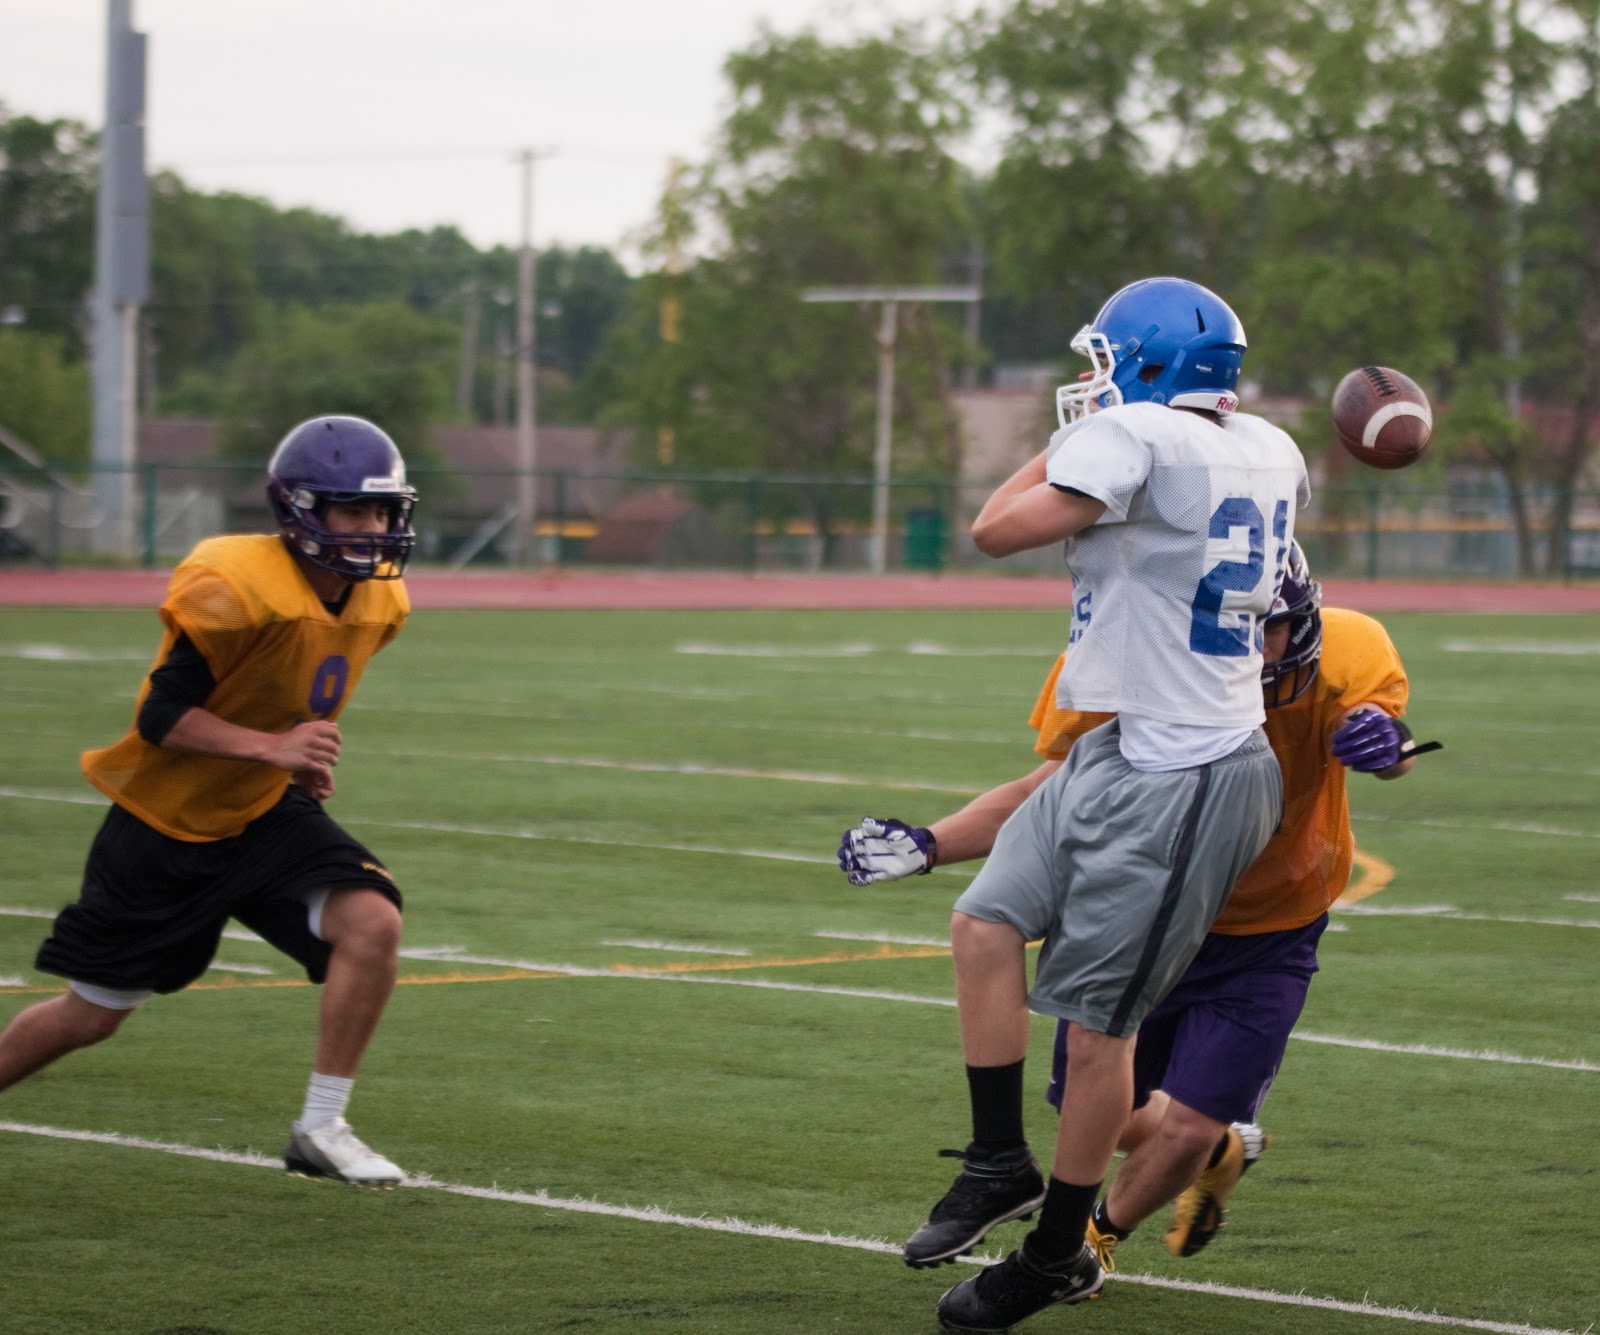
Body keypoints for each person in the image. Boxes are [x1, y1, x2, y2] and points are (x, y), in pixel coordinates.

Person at [864, 276, 1311, 1333]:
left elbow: (993, 529)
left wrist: (1081, 434)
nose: (1090, 384)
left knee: (1097, 1029)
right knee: (982, 921)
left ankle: (1057, 1249)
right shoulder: (1269, 446)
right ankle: (994, 1163)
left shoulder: (1138, 436)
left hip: (1191, 773)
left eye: (1105, 362)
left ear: (1146, 363)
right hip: (1129, 740)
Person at [840, 543, 1436, 1283]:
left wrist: (1388, 746)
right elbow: (1053, 788)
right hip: (1140, 907)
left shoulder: (1349, 645)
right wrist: (934, 842)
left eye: (1268, 626)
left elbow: (1389, 737)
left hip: (1271, 925)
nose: (1253, 648)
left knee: (1187, 1123)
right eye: (1233, 626)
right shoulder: (1126, 655)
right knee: (1103, 1114)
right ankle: (1218, 1150)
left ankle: (1092, 1240)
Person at [0, 414, 419, 1188]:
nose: (373, 528)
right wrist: (273, 748)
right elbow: (161, 717)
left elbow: (289, 689)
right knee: (92, 1014)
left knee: (373, 920)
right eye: (352, 510)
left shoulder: (379, 604)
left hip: (261, 810)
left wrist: (295, 761)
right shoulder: (236, 583)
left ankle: (322, 1125)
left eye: (382, 511)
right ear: (299, 510)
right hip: (167, 825)